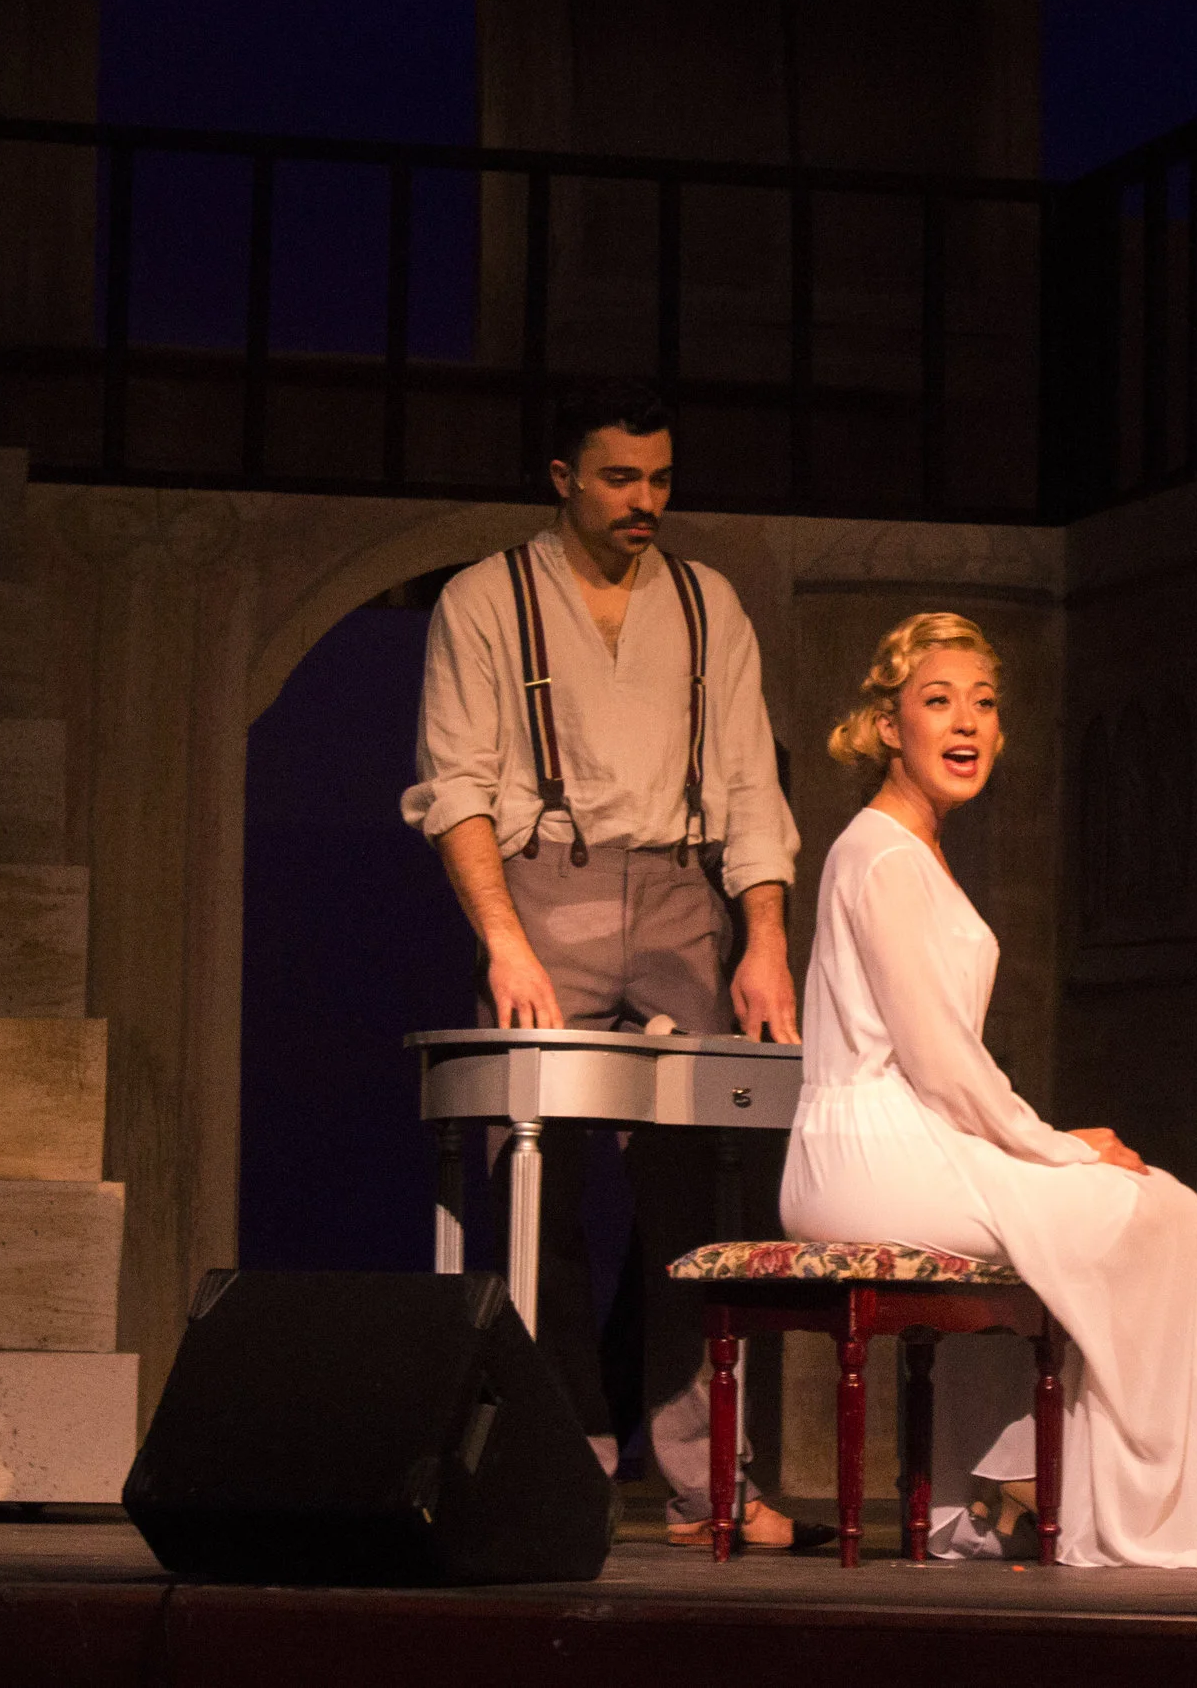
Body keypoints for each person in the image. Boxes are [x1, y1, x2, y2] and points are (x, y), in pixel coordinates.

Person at [403, 383, 825, 1550]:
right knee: (536, 1191)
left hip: (683, 901)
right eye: (620, 478)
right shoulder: (487, 598)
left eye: (659, 479)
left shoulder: (705, 602)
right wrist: (505, 942)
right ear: (563, 478)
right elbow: (456, 787)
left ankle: (708, 1480)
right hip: (547, 892)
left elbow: (750, 787)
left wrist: (765, 939)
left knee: (702, 1198)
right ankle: (567, 1463)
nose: (645, 501)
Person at [780, 612, 1197, 1567]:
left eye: (984, 703)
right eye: (938, 700)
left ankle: (1021, 1482)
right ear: (889, 725)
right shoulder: (882, 855)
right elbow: (941, 1060)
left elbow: (942, 1068)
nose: (967, 722)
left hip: (904, 1137)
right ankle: (1076, 1489)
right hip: (869, 1148)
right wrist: (1061, 1146)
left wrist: (1045, 1149)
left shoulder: (910, 850)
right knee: (1161, 1213)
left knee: (1152, 1212)